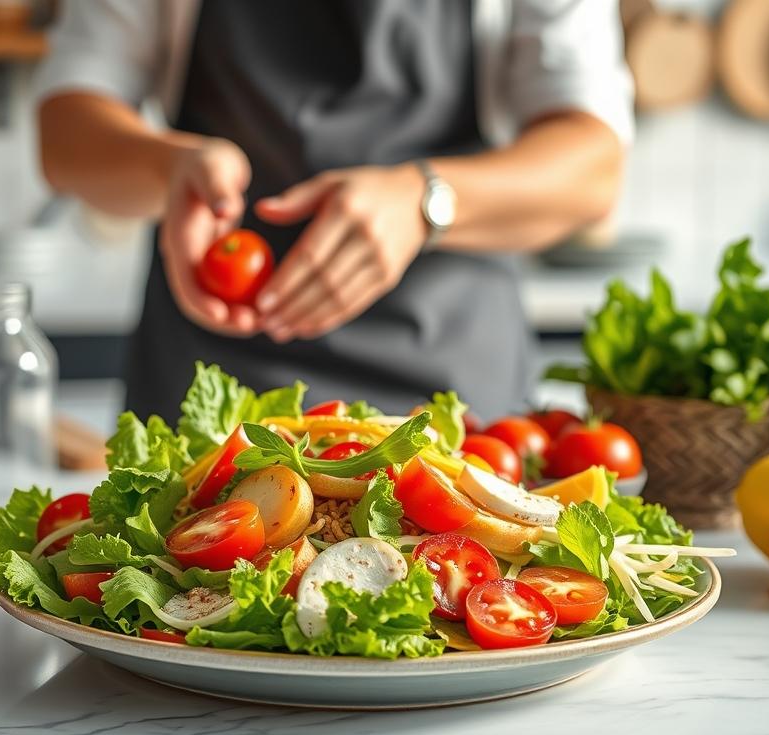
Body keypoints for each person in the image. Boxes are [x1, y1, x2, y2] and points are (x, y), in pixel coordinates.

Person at [36, 0, 632, 420]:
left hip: (449, 387)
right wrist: (169, 169)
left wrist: (421, 202)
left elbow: (594, 165)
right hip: (213, 388)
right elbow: (65, 133)